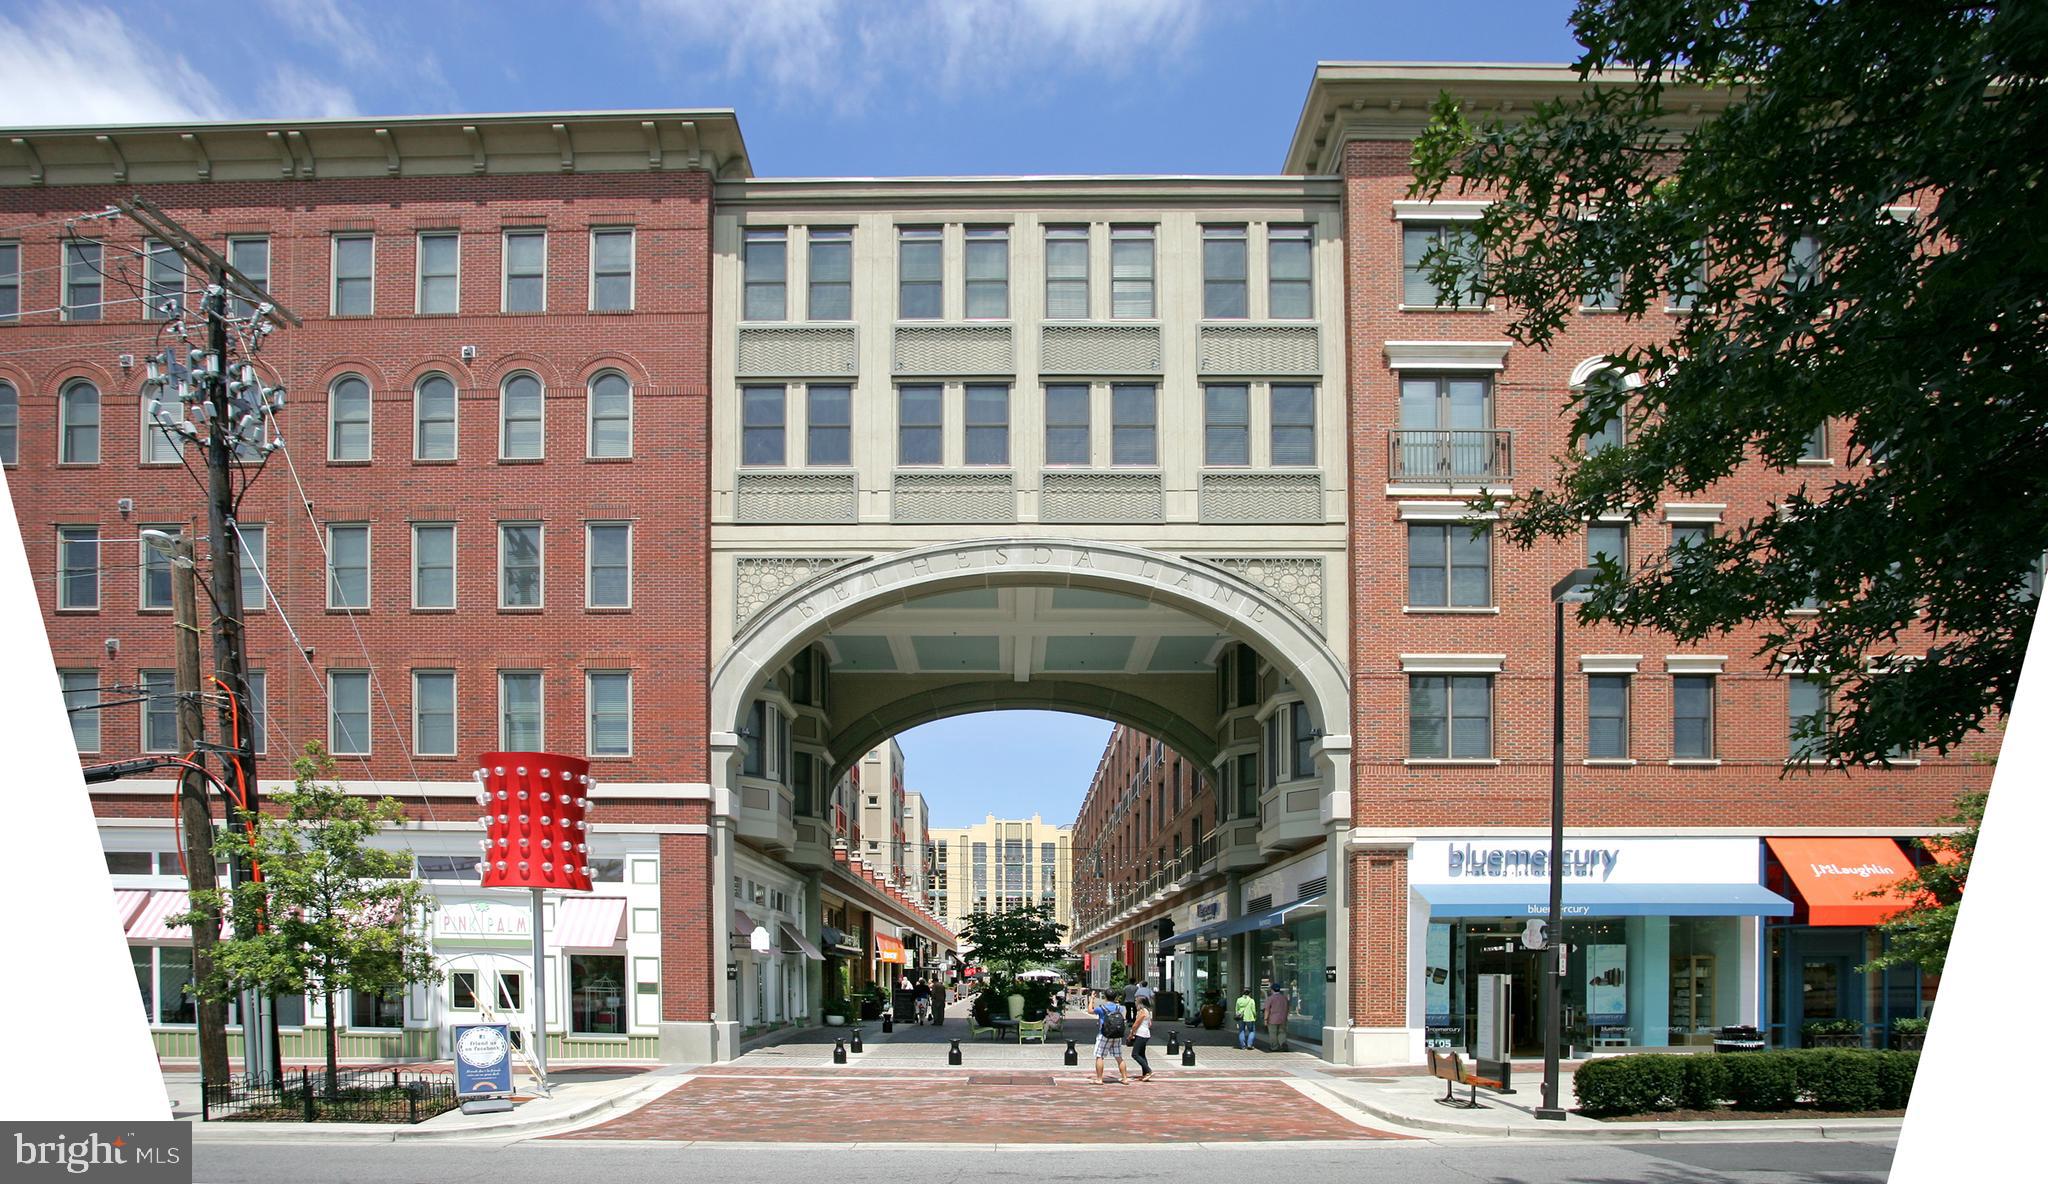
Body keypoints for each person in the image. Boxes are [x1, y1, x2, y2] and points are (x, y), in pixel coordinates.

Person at [1091, 990, 1130, 1084]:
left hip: (1104, 1034)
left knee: (1099, 1056)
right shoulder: (1119, 1008)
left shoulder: (1101, 1008)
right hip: (1117, 1034)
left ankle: (1099, 1079)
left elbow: (1090, 1010)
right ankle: (1125, 1078)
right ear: (1116, 997)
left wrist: (1092, 999)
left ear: (1105, 997)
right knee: (1119, 1057)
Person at [1130, 997, 1155, 1082]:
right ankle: (1145, 1074)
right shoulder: (1147, 1011)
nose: (1135, 1002)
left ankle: (1149, 1071)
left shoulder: (1142, 1012)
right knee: (1142, 1054)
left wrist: (1131, 1033)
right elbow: (1150, 1024)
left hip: (1141, 1034)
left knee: (1135, 1054)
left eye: (1136, 1001)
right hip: (1145, 1033)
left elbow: (1136, 1024)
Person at [1264, 982, 1291, 1052]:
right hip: (1283, 1019)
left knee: (1273, 1033)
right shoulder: (1284, 998)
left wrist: (1265, 1019)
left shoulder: (1270, 998)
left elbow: (1267, 1010)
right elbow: (1288, 1008)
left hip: (1272, 1019)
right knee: (1282, 1032)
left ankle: (1274, 1047)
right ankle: (1283, 1044)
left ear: (1272, 990)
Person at [1234, 986, 1258, 1050]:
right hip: (1250, 1017)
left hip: (1241, 1017)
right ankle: (1249, 1044)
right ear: (1249, 993)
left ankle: (1243, 1045)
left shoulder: (1239, 1000)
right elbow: (1253, 1010)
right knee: (1251, 1031)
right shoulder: (1251, 1000)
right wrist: (1255, 1016)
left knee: (1241, 1031)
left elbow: (1236, 1009)